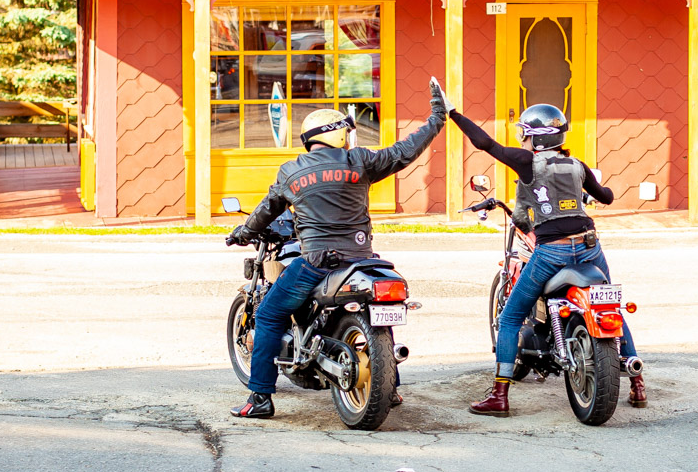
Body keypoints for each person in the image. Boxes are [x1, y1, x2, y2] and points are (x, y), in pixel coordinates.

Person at [224, 80, 448, 418]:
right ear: (340, 135)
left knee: (270, 314)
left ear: (310, 138)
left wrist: (244, 231)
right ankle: (391, 389)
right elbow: (406, 150)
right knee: (379, 319)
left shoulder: (293, 170)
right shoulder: (359, 160)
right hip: (362, 259)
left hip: (316, 263)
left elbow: (266, 211)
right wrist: (437, 118)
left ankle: (259, 400)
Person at [448, 103, 647, 417]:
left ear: (534, 138)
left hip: (551, 250)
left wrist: (453, 114)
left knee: (511, 318)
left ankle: (500, 395)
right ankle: (637, 383)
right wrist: (593, 190)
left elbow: (485, 144)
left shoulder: (528, 163)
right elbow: (606, 197)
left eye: (524, 135)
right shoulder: (577, 165)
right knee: (611, 307)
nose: (522, 141)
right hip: (590, 247)